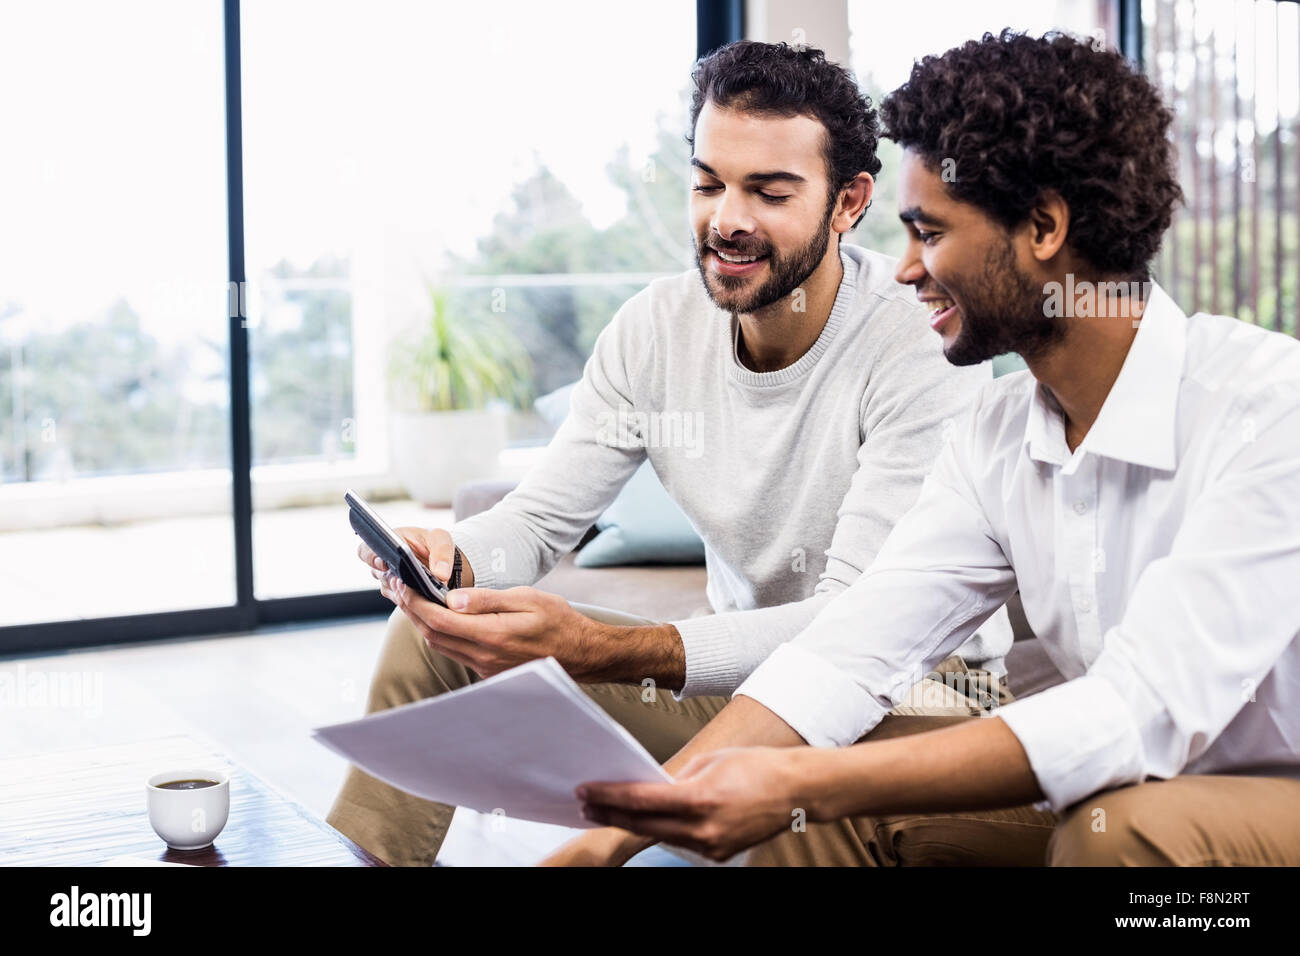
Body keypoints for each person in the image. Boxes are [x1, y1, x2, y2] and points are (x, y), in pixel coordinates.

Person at [560, 29, 1300, 867]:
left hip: (1267, 795)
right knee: (813, 810)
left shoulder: (1270, 410)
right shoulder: (997, 436)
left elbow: (1139, 708)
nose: (905, 269)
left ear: (1044, 227)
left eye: (930, 232)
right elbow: (846, 654)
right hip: (1115, 787)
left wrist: (802, 785)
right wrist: (614, 839)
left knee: (1129, 838)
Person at [326, 40, 1012, 866]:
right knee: (434, 638)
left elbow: (851, 630)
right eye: (708, 182)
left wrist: (600, 646)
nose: (727, 218)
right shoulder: (655, 328)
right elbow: (542, 521)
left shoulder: (916, 347)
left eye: (769, 191)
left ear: (849, 202)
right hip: (736, 684)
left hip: (918, 698)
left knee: (809, 767)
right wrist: (457, 560)